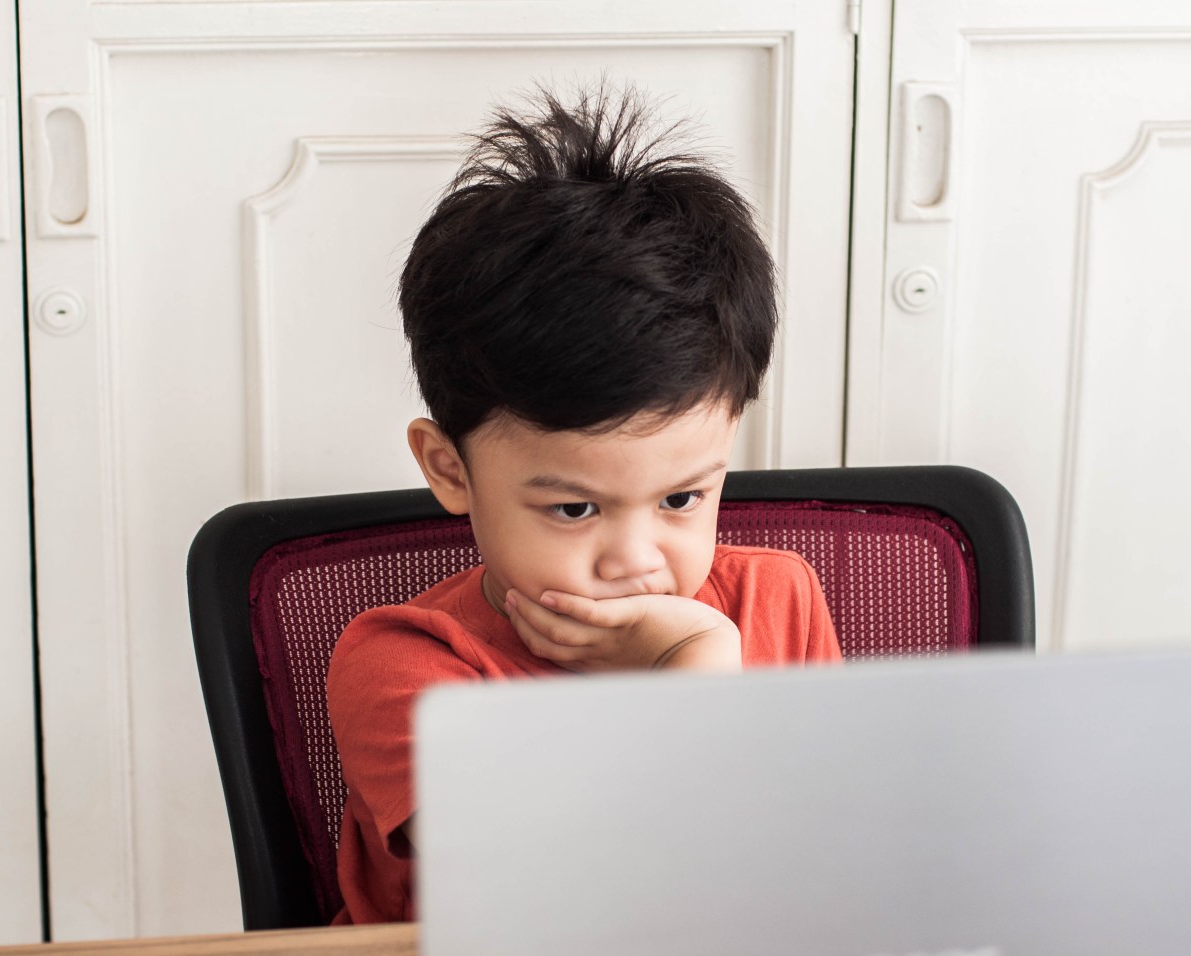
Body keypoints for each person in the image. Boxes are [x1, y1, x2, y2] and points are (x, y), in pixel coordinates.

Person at [326, 84, 842, 924]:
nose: (636, 560)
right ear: (449, 469)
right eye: (575, 510)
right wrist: (694, 669)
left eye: (682, 496)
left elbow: (814, 869)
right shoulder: (408, 667)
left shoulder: (776, 601)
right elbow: (577, 900)